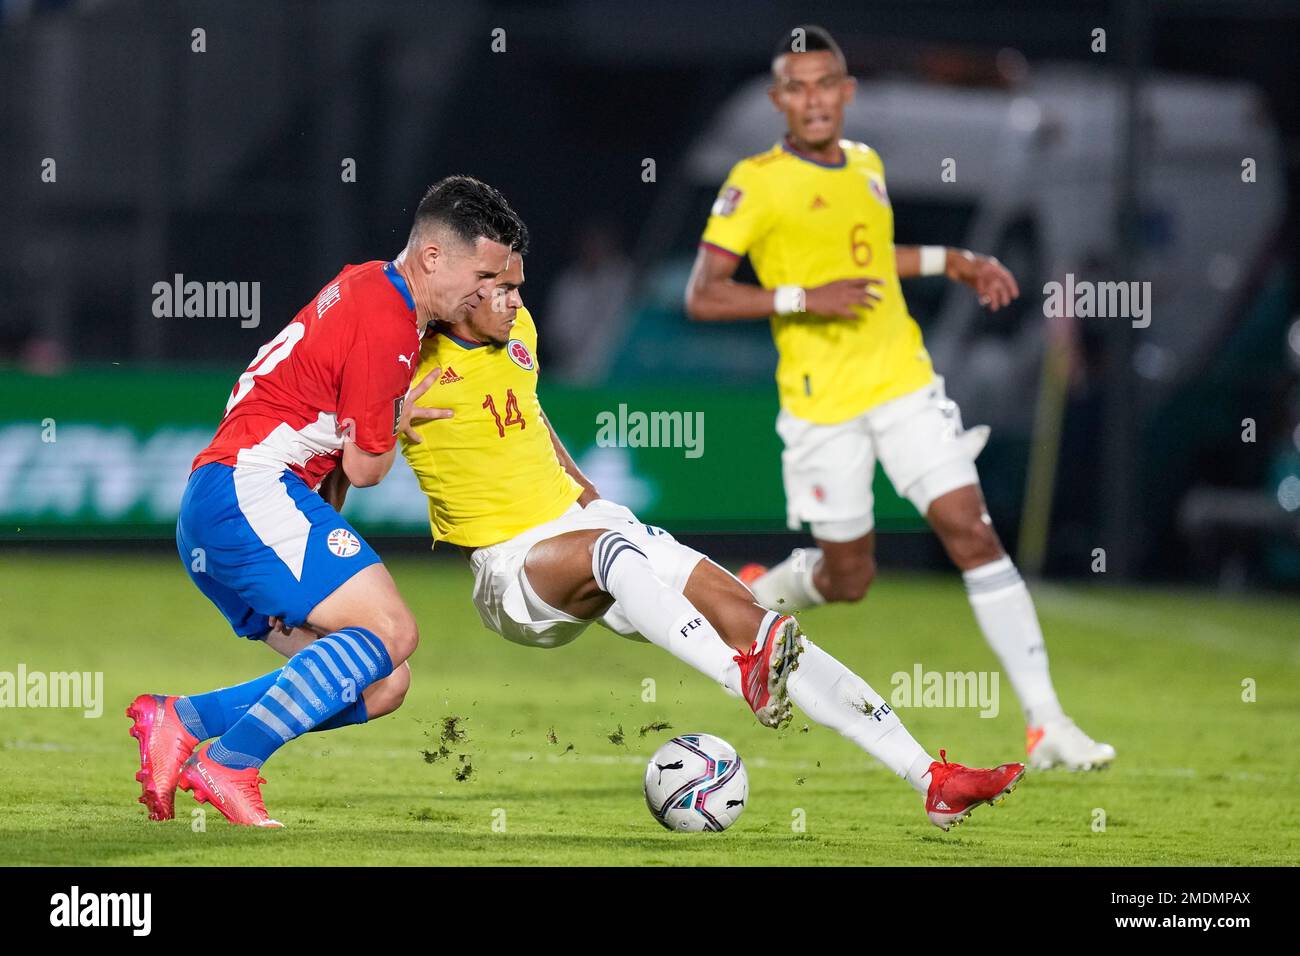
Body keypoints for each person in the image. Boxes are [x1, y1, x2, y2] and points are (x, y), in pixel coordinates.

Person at [387, 250, 1026, 831]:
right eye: (504, 289)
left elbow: (530, 415)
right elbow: (335, 429)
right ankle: (735, 674)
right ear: (464, 289)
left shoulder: (517, 335)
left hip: (586, 526)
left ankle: (932, 780)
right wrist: (385, 421)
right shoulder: (407, 355)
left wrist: (589, 496)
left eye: (521, 287)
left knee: (763, 627)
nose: (520, 302)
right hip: (512, 574)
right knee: (618, 560)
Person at [683, 26, 1113, 771]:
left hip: (904, 381)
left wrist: (955, 260)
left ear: (846, 93)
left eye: (827, 84)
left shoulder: (867, 164)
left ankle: (1048, 724)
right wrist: (805, 296)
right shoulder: (753, 183)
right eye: (799, 86)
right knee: (850, 578)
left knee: (970, 530)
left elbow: (868, 258)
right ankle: (765, 589)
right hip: (823, 405)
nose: (815, 100)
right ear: (778, 99)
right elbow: (704, 295)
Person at [126, 176, 526, 826]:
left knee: (383, 681)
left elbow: (335, 457)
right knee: (394, 631)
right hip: (248, 493)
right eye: (481, 273)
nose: (486, 291)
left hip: (228, 506)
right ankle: (229, 762)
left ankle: (180, 719)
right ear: (432, 256)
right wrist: (396, 415)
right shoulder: (390, 321)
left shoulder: (370, 283)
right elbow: (366, 470)